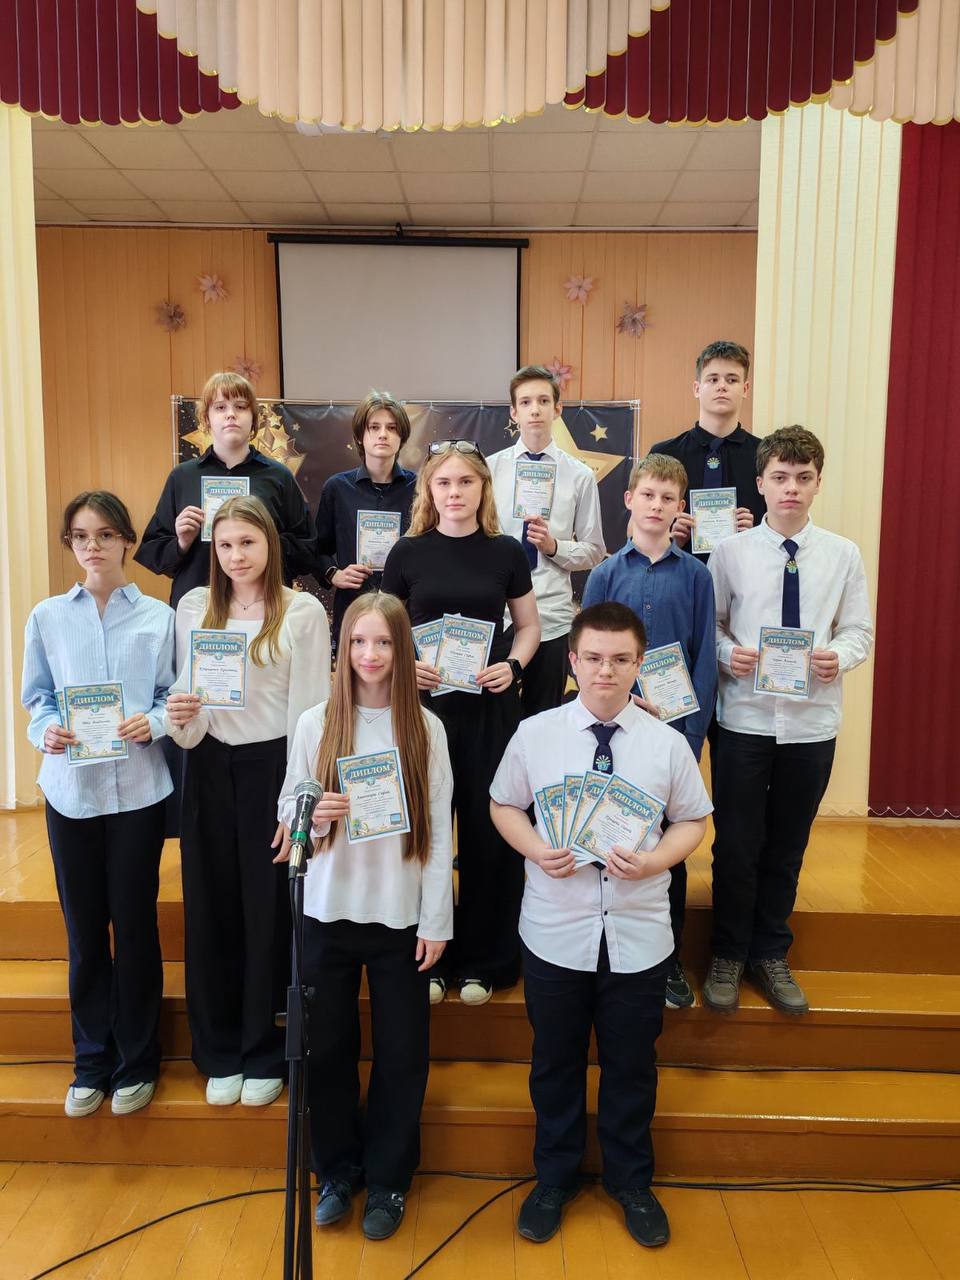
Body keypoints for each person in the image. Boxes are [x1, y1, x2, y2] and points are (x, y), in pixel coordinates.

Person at [490, 603, 711, 1248]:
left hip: (639, 935)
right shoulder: (536, 734)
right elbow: (504, 805)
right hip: (555, 929)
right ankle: (553, 1178)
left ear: (639, 664)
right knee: (554, 1062)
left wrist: (656, 861)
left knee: (632, 1065)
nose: (605, 671)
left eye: (619, 660)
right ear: (572, 661)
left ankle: (630, 1181)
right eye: (592, 658)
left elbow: (693, 820)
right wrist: (537, 850)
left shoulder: (666, 743)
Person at [275, 592, 453, 1242]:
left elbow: (439, 832)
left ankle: (389, 1178)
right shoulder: (315, 722)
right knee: (326, 1050)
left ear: (402, 650)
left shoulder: (425, 730)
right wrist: (312, 814)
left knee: (402, 1053)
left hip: (399, 916)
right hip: (327, 910)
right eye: (358, 642)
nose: (370, 655)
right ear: (342, 648)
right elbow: (289, 809)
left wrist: (435, 920)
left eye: (382, 643)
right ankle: (336, 1172)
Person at [164, 495, 330, 1106]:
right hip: (208, 767)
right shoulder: (193, 607)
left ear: (270, 545)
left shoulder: (301, 611)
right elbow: (187, 710)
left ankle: (263, 1048)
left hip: (273, 770)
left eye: (247, 543)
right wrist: (180, 717)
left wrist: (296, 802)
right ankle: (218, 1049)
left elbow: (310, 715)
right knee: (210, 905)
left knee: (266, 912)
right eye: (226, 545)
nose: (236, 556)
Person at [705, 427, 873, 1015]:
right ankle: (727, 952)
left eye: (803, 478)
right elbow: (712, 626)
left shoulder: (843, 554)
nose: (791, 488)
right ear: (760, 483)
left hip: (811, 724)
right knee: (737, 844)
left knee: (787, 845)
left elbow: (859, 630)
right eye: (779, 477)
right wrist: (729, 654)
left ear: (818, 483)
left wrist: (838, 656)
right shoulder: (729, 552)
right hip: (744, 719)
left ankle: (770, 952)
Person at [21, 491, 175, 1119]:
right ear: (71, 545)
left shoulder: (159, 617)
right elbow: (37, 699)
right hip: (71, 792)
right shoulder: (48, 617)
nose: (93, 546)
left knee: (135, 926)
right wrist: (46, 732)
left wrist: (153, 722)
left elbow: (173, 694)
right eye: (81, 536)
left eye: (106, 535)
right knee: (84, 931)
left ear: (127, 541)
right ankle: (90, 1060)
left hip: (138, 790)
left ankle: (137, 1060)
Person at [381, 440, 540, 1006]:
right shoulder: (406, 552)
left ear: (483, 489)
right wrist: (405, 666)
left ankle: (483, 959)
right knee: (424, 832)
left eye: (466, 482)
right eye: (444, 482)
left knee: (485, 833)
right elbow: (383, 630)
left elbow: (529, 627)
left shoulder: (506, 551)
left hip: (487, 711)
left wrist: (512, 666)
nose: (454, 492)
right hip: (423, 713)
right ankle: (428, 959)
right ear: (429, 489)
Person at [582, 455, 716, 1010]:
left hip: (671, 734)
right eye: (648, 495)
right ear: (629, 499)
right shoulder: (605, 575)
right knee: (607, 831)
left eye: (667, 498)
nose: (656, 505)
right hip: (610, 730)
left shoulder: (697, 576)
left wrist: (691, 736)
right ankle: (599, 947)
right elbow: (587, 655)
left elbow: (704, 659)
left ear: (680, 507)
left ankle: (668, 957)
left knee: (666, 846)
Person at [135, 371, 316, 610]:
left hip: (263, 608)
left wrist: (265, 538)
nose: (231, 414)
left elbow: (308, 549)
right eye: (220, 407)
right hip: (199, 607)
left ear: (254, 418)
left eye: (240, 407)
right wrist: (181, 542)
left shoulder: (279, 477)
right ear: (206, 419)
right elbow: (152, 553)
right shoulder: (182, 477)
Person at [488, 365, 605, 715]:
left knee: (544, 719)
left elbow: (594, 551)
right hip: (499, 616)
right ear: (514, 412)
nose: (535, 410)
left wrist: (554, 547)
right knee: (497, 719)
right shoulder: (488, 471)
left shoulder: (580, 475)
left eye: (543, 401)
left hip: (552, 617)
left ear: (557, 409)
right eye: (525, 402)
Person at [314, 390, 417, 654]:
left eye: (391, 428)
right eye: (374, 427)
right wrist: (333, 574)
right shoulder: (337, 488)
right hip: (353, 606)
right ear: (360, 435)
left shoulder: (420, 489)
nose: (383, 434)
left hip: (405, 610)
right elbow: (317, 548)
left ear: (402, 436)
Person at [649, 340, 765, 559]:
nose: (722, 386)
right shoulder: (664, 453)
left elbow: (779, 526)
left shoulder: (765, 454)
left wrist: (758, 533)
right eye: (712, 379)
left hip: (747, 572)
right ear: (697, 388)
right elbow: (637, 527)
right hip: (679, 572)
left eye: (732, 380)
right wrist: (671, 538)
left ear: (745, 389)